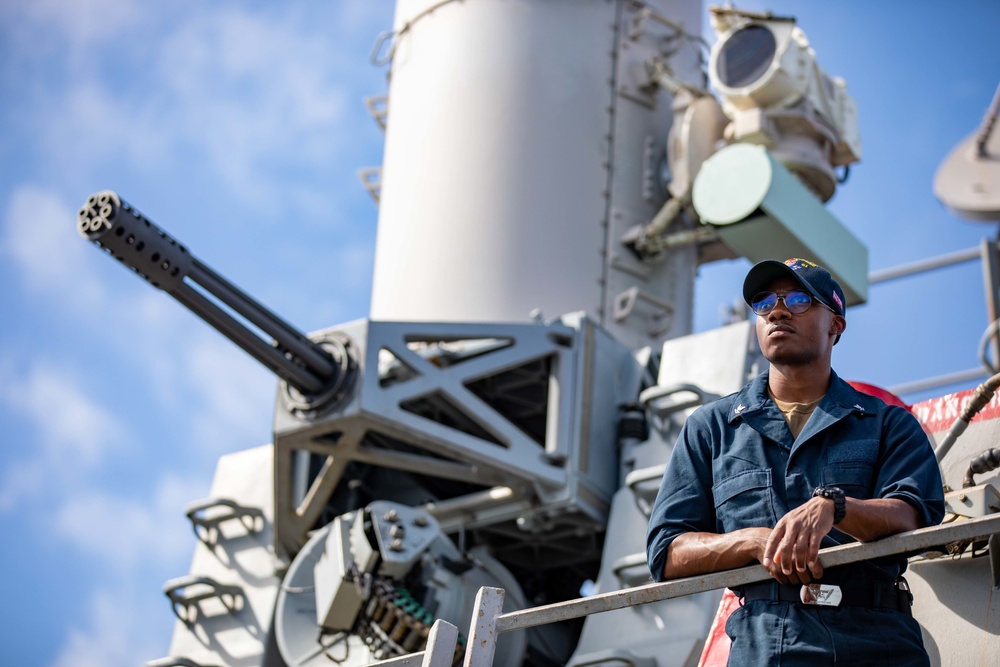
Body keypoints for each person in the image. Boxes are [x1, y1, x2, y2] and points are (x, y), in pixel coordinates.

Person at [646, 258, 944, 666]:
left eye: (800, 299)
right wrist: (751, 541)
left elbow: (913, 513)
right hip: (765, 644)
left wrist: (835, 508)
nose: (778, 310)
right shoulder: (711, 428)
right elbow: (668, 552)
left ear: (835, 325)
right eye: (765, 302)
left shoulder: (887, 424)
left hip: (880, 641)